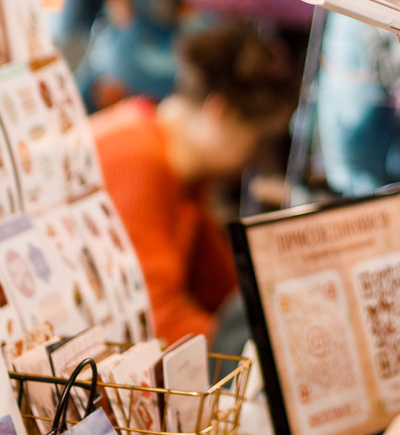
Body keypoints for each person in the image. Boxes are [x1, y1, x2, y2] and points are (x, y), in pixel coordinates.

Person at [91, 21, 298, 349]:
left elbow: (221, 286)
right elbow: (153, 317)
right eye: (256, 141)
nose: (254, 159)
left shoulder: (181, 170)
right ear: (220, 112)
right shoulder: (140, 159)